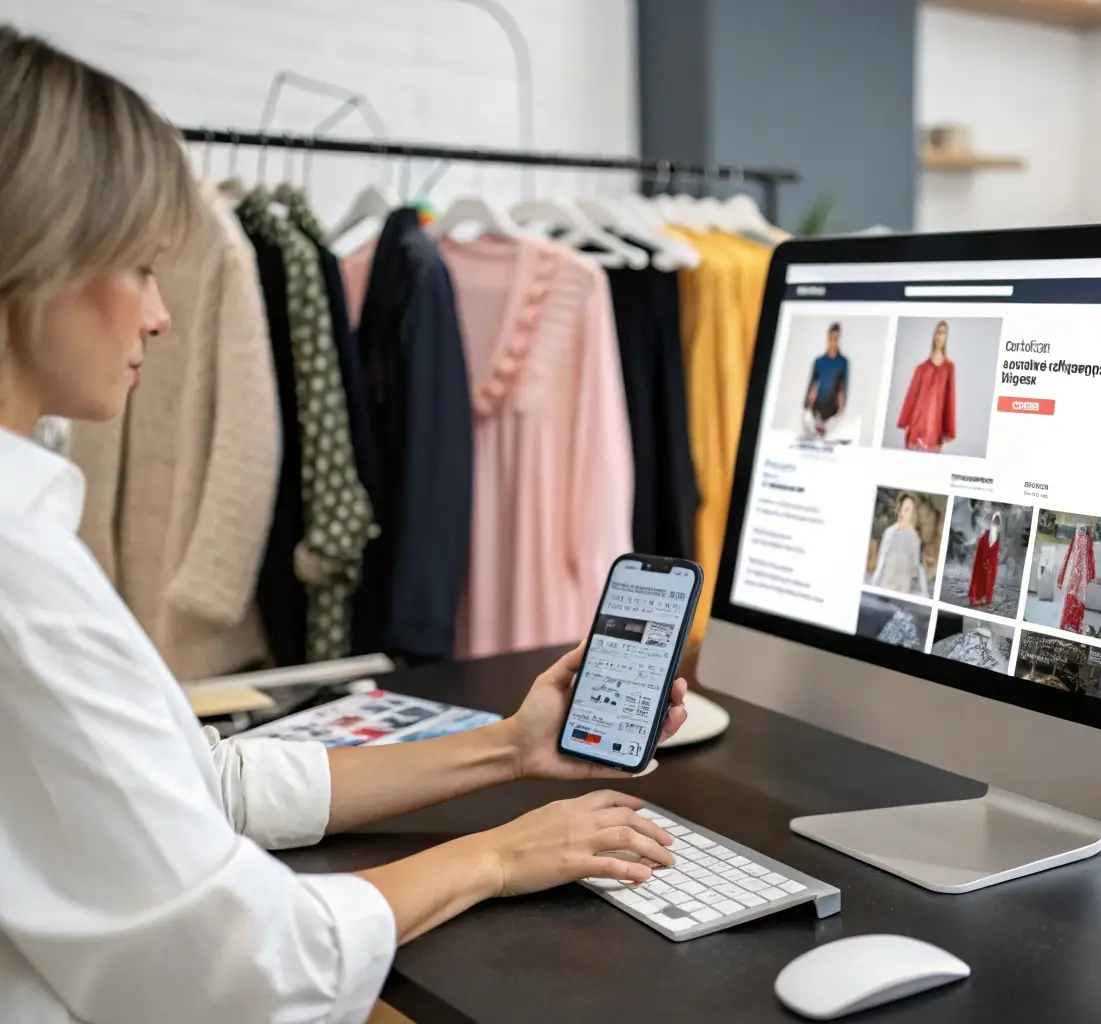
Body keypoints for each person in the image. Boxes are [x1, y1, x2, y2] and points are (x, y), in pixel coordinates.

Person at [0, 28, 688, 1023]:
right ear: (39, 265)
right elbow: (251, 965)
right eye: (139, 267)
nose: (159, 313)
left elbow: (205, 785)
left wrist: (508, 747)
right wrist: (498, 854)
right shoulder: (24, 588)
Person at [895, 319, 957, 453]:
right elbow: (911, 396)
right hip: (917, 425)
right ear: (934, 335)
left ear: (946, 337)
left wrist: (948, 429)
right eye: (938, 332)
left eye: (943, 333)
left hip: (935, 428)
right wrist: (904, 421)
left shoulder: (949, 368)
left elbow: (949, 400)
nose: (940, 336)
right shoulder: (921, 368)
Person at [870, 494, 930, 596]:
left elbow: (917, 569)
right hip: (886, 587)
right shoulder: (890, 533)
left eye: (907, 510)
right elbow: (881, 563)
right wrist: (873, 586)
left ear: (914, 514)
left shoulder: (915, 539)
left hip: (902, 591)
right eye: (902, 508)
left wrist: (924, 593)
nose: (902, 512)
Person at [802, 322, 849, 439]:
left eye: (836, 339)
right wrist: (808, 404)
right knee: (812, 436)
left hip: (832, 409)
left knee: (828, 438)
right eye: (831, 339)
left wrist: (841, 409)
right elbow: (812, 384)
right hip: (817, 407)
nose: (833, 342)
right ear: (828, 338)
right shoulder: (819, 361)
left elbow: (843, 387)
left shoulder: (842, 362)